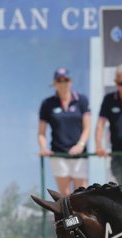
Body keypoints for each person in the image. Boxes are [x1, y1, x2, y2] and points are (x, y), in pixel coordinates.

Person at [38, 67, 91, 196]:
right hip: (58, 154)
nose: (63, 83)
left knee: (82, 194)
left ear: (70, 81)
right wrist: (43, 148)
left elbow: (87, 127)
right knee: (65, 195)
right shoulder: (47, 103)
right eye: (59, 80)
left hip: (79, 154)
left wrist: (80, 145)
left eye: (65, 80)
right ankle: (68, 212)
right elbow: (41, 133)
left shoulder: (81, 100)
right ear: (54, 83)